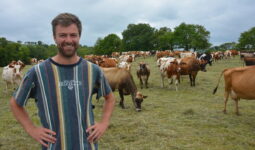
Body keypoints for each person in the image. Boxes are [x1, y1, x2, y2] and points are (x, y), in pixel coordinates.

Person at [10, 12, 115, 150]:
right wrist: (32, 129)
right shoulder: (38, 72)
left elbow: (110, 98)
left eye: (73, 35)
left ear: (79, 37)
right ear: (54, 38)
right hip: (53, 146)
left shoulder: (93, 70)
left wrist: (103, 123)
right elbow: (15, 103)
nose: (68, 40)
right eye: (62, 35)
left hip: (87, 146)